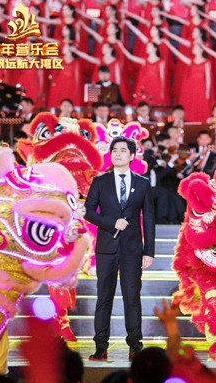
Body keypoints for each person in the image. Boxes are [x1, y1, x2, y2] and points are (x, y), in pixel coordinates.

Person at [84, 136, 155, 362]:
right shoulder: (100, 181)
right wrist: (111, 222)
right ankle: (100, 346)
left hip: (132, 250)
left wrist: (149, 251)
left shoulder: (142, 183)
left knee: (132, 298)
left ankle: (135, 345)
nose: (118, 153)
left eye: (123, 150)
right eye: (114, 150)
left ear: (132, 155)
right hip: (106, 248)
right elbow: (88, 211)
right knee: (103, 297)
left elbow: (149, 219)